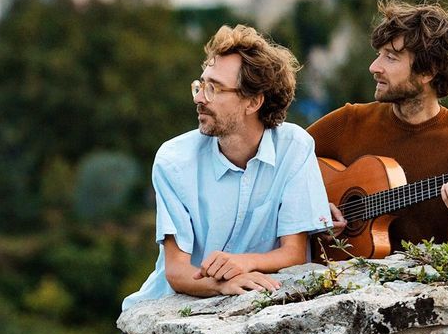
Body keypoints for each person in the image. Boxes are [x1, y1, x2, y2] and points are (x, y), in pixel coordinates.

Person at [121, 24, 331, 311]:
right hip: (163, 311)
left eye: (213, 88)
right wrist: (221, 285)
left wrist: (243, 262)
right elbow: (176, 271)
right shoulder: (174, 160)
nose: (198, 98)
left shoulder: (295, 147)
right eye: (200, 85)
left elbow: (294, 253)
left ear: (253, 102)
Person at [308, 0, 448, 253]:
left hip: (428, 287)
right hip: (342, 278)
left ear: (427, 72)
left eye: (391, 57)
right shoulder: (349, 121)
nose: (374, 67)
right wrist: (316, 207)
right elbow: (280, 165)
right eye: (379, 55)